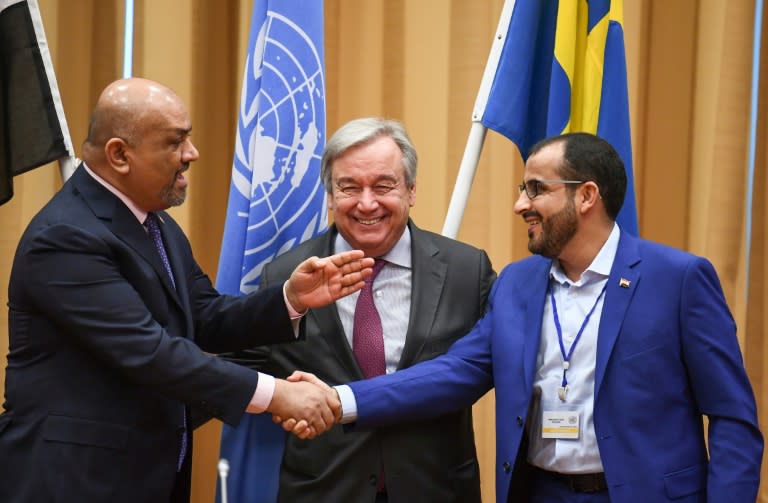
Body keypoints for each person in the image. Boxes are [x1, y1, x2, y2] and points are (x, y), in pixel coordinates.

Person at [286, 132, 764, 502]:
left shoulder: (677, 279)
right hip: (540, 492)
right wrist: (340, 399)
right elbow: (456, 372)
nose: (520, 205)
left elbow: (732, 419)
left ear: (586, 195)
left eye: (535, 190)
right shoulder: (517, 283)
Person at [0, 78, 373, 503]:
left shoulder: (155, 223)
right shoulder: (65, 237)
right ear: (119, 155)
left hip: (146, 475)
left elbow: (204, 317)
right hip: (72, 481)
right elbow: (151, 351)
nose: (191, 154)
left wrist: (290, 298)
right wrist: (277, 394)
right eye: (175, 142)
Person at [224, 117, 496, 502]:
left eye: (383, 186)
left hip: (436, 490)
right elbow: (234, 369)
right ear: (331, 197)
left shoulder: (467, 272)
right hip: (325, 491)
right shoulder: (286, 275)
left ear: (412, 190)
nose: (367, 203)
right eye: (349, 188)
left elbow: (484, 368)